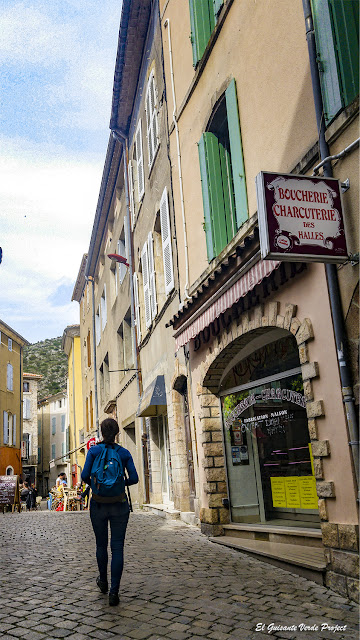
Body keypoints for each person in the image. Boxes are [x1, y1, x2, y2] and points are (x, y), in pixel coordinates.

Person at [81, 418, 138, 606]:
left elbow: (84, 476)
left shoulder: (94, 450)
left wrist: (97, 486)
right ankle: (114, 592)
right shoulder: (124, 453)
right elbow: (135, 478)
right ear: (117, 433)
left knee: (100, 545)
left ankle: (103, 582)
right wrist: (120, 484)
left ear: (101, 432)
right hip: (119, 504)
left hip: (98, 505)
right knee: (117, 547)